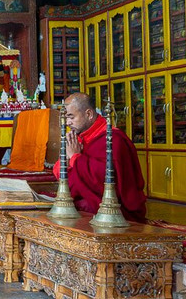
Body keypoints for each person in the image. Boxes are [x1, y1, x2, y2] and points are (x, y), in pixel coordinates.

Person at [52, 92, 146, 220]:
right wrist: (68, 159)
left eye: (71, 117)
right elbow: (59, 173)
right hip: (90, 200)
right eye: (66, 118)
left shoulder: (114, 139)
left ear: (89, 114)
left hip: (116, 208)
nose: (68, 122)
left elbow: (104, 179)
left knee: (76, 209)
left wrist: (75, 158)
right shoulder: (80, 138)